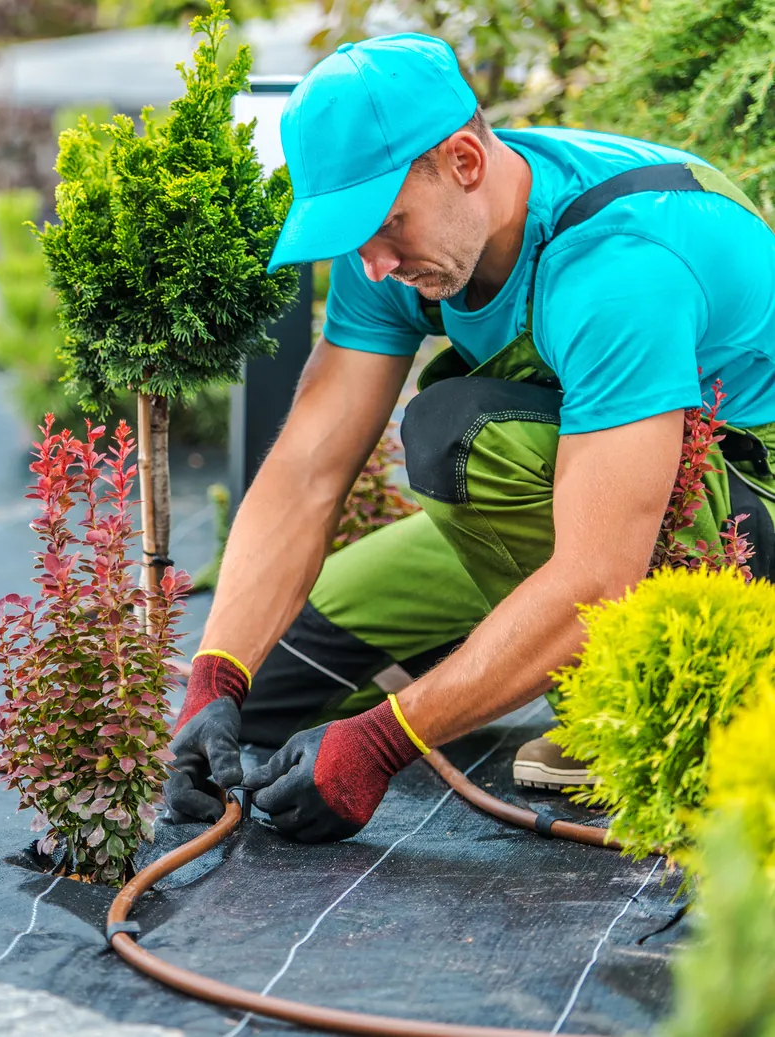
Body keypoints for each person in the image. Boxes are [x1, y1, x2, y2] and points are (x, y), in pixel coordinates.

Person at [163, 33, 775, 842]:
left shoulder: (617, 264)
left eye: (386, 224)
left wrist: (386, 741)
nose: (373, 262)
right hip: (587, 494)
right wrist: (214, 680)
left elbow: (598, 573)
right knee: (268, 688)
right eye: (353, 235)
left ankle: (623, 718)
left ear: (463, 161)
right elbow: (309, 469)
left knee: (459, 435)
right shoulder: (404, 245)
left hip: (735, 523)